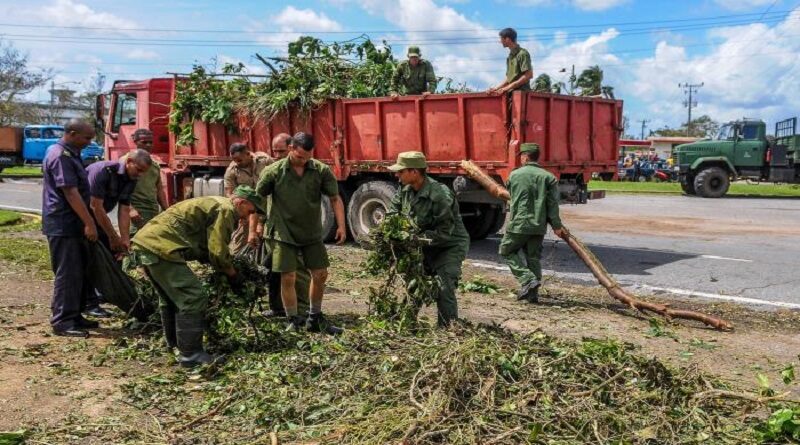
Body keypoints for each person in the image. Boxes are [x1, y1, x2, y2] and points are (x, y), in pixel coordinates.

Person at [131, 186, 264, 367]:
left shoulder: (216, 204)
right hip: (161, 246)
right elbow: (217, 251)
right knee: (193, 296)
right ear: (241, 202)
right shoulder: (226, 209)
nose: (247, 217)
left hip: (147, 243)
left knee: (171, 298)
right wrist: (233, 275)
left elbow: (205, 246)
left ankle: (176, 345)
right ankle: (191, 355)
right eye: (250, 211)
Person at [255, 132, 346, 334]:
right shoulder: (273, 171)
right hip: (282, 232)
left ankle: (315, 317)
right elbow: (257, 198)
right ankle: (293, 319)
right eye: (299, 157)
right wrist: (258, 224)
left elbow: (334, 198)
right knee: (288, 276)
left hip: (311, 231)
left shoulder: (320, 170)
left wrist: (341, 226)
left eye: (307, 157)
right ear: (291, 149)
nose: (303, 161)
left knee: (320, 273)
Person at [386, 151, 470, 327]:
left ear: (414, 172)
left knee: (443, 286)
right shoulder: (405, 189)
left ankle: (448, 330)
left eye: (401, 171)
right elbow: (393, 212)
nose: (397, 175)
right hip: (422, 244)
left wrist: (414, 239)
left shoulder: (440, 195)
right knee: (415, 283)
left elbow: (445, 232)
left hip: (449, 245)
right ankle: (406, 324)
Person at [41, 119, 99, 338]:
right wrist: (89, 222)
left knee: (78, 271)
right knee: (68, 273)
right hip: (63, 223)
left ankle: (74, 315)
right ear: (72, 134)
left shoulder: (71, 153)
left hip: (71, 223)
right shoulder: (60, 156)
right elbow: (71, 193)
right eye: (86, 138)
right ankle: (63, 321)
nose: (89, 142)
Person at [83, 149, 152, 317]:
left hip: (99, 219)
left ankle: (101, 297)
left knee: (112, 255)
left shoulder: (131, 178)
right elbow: (95, 207)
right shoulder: (103, 171)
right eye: (139, 170)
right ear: (129, 161)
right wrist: (113, 237)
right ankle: (88, 303)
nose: (140, 175)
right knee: (87, 260)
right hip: (84, 220)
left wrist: (125, 239)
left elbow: (124, 209)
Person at [499, 143, 568, 303]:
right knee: (533, 257)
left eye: (521, 157)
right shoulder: (549, 177)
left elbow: (509, 192)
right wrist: (557, 226)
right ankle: (532, 295)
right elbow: (552, 205)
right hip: (538, 225)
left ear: (525, 157)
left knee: (506, 251)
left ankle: (527, 279)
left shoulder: (515, 175)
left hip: (519, 224)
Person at [255, 133, 311, 319]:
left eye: (280, 150)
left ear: (291, 148)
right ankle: (278, 308)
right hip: (273, 230)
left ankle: (302, 311)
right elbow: (261, 201)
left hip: (295, 232)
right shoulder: (273, 170)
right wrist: (258, 225)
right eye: (274, 150)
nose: (276, 154)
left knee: (297, 273)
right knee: (272, 271)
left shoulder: (305, 171)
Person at [223, 142, 273, 254]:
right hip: (249, 210)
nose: (236, 162)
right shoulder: (231, 171)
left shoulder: (265, 161)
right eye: (234, 160)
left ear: (247, 153)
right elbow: (230, 194)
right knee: (242, 240)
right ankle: (236, 263)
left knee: (272, 239)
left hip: (269, 206)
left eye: (239, 160)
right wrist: (240, 213)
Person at [123, 129, 169, 234]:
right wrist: (131, 210)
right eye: (144, 142)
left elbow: (159, 190)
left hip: (152, 211)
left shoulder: (154, 165)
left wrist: (166, 209)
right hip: (136, 214)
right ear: (135, 141)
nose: (148, 145)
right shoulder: (127, 163)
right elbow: (119, 191)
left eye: (150, 142)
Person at [487, 28, 533, 95]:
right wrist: (496, 88)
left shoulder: (522, 54)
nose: (500, 41)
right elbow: (509, 79)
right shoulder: (510, 57)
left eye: (501, 39)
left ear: (507, 39)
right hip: (510, 92)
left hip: (521, 94)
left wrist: (508, 87)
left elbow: (528, 75)